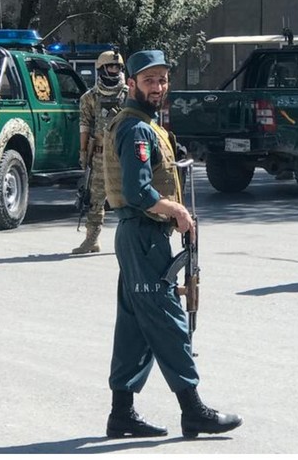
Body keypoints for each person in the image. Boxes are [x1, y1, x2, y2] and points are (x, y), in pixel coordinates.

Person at [102, 50, 242, 439]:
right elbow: (137, 191)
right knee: (167, 319)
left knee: (133, 325)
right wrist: (178, 212)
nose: (158, 87)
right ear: (131, 83)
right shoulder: (137, 129)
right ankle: (193, 409)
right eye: (150, 80)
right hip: (143, 235)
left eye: (163, 80)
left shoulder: (143, 123)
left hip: (140, 236)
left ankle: (121, 413)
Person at [71, 50, 128, 255]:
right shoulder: (90, 97)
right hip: (99, 155)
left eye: (118, 67)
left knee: (128, 200)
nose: (114, 71)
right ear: (102, 69)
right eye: (111, 67)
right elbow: (85, 126)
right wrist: (83, 152)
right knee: (95, 199)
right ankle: (91, 240)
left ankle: (131, 241)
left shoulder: (128, 94)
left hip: (123, 155)